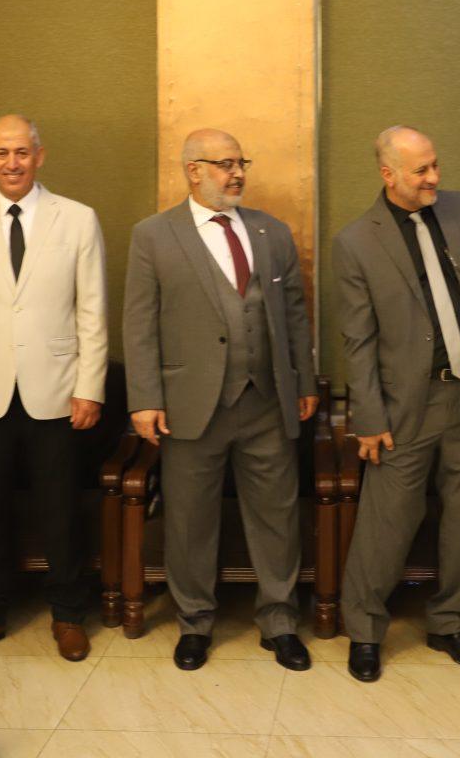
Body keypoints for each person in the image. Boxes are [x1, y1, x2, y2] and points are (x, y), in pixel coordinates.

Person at [333, 125, 460, 683]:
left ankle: (449, 622)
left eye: (435, 164)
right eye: (421, 171)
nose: (434, 177)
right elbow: (358, 341)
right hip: (404, 404)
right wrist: (368, 416)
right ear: (388, 174)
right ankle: (365, 630)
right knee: (387, 520)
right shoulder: (356, 242)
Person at [123, 129, 318, 673]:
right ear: (194, 170)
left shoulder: (271, 232)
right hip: (190, 404)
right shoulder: (153, 235)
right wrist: (144, 398)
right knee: (189, 520)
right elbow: (139, 323)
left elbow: (295, 315)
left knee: (277, 516)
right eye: (225, 164)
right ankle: (194, 623)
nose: (237, 174)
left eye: (241, 163)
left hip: (266, 402)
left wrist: (303, 382)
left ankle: (279, 621)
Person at [0, 114, 107, 661]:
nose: (13, 163)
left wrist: (90, 386)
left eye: (22, 152)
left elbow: (92, 309)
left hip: (56, 391)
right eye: (3, 153)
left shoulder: (77, 219)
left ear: (39, 156)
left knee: (61, 511)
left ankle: (68, 614)